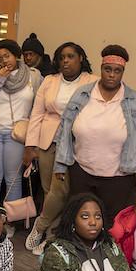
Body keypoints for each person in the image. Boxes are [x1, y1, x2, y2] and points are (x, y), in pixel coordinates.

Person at [53, 45, 136, 227]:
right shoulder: (82, 94)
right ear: (101, 69)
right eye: (107, 69)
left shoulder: (135, 102)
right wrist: (60, 164)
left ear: (123, 72)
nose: (112, 75)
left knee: (111, 226)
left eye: (117, 71)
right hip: (82, 171)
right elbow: (64, 129)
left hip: (119, 177)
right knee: (79, 222)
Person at [23, 42, 98, 254]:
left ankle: (42, 227)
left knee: (61, 190)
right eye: (62, 57)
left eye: (71, 56)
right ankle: (51, 238)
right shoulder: (50, 81)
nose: (66, 61)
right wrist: (31, 145)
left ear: (81, 58)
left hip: (76, 143)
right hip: (49, 140)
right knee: (50, 192)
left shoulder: (93, 82)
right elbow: (37, 114)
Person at [0, 39, 42, 203]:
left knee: (13, 179)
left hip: (17, 134)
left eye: (8, 55)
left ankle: (11, 222)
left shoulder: (33, 76)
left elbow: (39, 106)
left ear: (16, 55)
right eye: (0, 58)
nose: (5, 60)